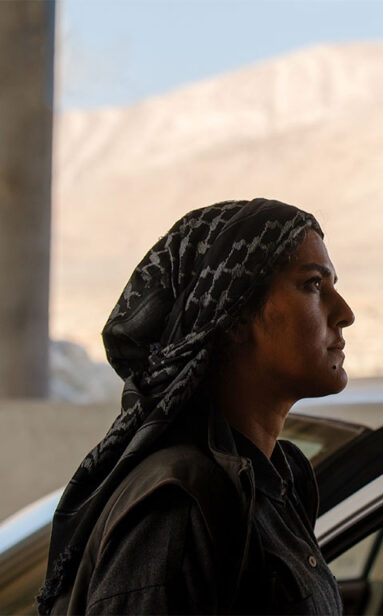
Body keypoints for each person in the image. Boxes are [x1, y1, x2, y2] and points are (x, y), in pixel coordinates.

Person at [38, 199, 353, 614]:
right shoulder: (180, 510)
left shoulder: (272, 480)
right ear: (235, 316)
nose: (344, 314)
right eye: (313, 284)